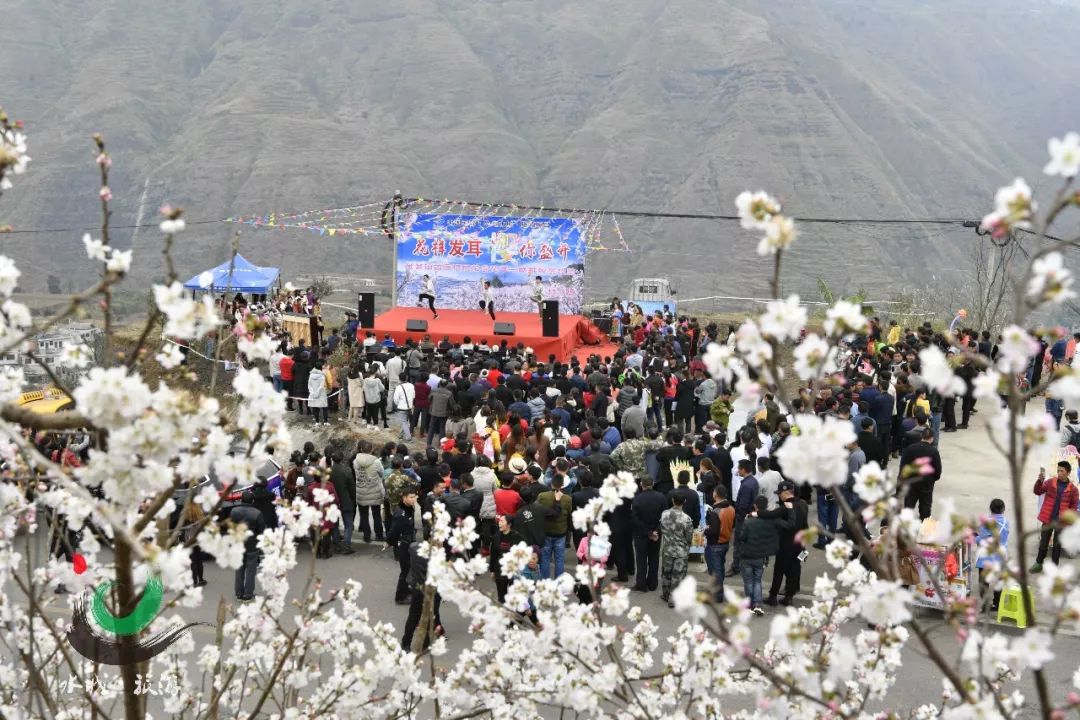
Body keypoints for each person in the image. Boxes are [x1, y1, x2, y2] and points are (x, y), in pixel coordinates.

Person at [738, 496, 788, 615]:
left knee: (748, 581)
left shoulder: (748, 521)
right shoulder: (769, 521)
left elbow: (742, 537)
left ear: (755, 505)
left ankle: (749, 604)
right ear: (766, 506)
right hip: (761, 555)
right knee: (757, 580)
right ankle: (758, 604)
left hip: (747, 554)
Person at [765, 481, 809, 606]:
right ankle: (789, 596)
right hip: (799, 543)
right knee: (794, 570)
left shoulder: (784, 508)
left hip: (785, 544)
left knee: (778, 571)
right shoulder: (803, 504)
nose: (779, 496)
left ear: (785, 493)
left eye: (780, 493)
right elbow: (805, 526)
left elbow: (773, 519)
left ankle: (773, 596)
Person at [1031, 461, 1080, 572]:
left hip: (1061, 522)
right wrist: (1039, 480)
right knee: (1043, 543)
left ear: (1068, 473)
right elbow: (1037, 491)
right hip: (1047, 519)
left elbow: (1073, 506)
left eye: (1062, 471)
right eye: (1058, 470)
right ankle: (1039, 563)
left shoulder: (1073, 490)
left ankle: (1053, 568)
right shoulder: (1049, 482)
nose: (1059, 473)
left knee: (1057, 546)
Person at [400, 541, 443, 651]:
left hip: (417, 588)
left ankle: (406, 643)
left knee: (413, 616)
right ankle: (426, 643)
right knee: (429, 616)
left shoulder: (414, 547)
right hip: (430, 589)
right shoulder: (436, 555)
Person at [230, 490, 267, 602]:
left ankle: (238, 592)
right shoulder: (257, 513)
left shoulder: (234, 511)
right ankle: (248, 594)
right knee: (251, 570)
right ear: (252, 500)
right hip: (252, 545)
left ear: (241, 499)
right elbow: (261, 530)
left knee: (239, 569)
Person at [631, 477, 666, 593]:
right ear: (653, 484)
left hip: (641, 534)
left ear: (641, 484)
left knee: (641, 560)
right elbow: (664, 517)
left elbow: (635, 520)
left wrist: (647, 532)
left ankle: (641, 584)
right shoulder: (661, 497)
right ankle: (653, 583)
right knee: (654, 558)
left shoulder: (637, 499)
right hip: (656, 533)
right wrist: (655, 531)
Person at [899, 428, 942, 520]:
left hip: (911, 483)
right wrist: (933, 479)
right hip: (927, 484)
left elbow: (903, 467)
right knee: (925, 509)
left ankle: (906, 528)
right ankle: (924, 528)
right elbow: (938, 470)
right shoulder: (933, 451)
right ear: (932, 438)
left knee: (909, 507)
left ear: (921, 436)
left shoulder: (910, 449)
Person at [975, 498, 1010, 611]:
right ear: (1003, 509)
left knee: (984, 582)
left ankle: (984, 605)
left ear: (990, 509)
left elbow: (982, 540)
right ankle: (997, 604)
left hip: (986, 557)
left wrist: (975, 537)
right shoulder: (1006, 522)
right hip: (1000, 556)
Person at [659, 494, 694, 607]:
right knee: (677, 576)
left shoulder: (664, 514)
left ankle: (665, 594)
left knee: (666, 573)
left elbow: (662, 529)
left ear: (673, 500)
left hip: (667, 548)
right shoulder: (686, 519)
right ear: (684, 502)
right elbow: (689, 536)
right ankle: (673, 599)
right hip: (681, 551)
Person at [386, 489, 419, 605]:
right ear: (404, 498)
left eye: (414, 497)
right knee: (405, 570)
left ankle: (406, 589)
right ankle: (400, 597)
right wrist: (389, 542)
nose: (413, 499)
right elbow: (394, 530)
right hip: (403, 544)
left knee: (409, 568)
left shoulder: (410, 508)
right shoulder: (401, 514)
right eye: (410, 497)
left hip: (409, 542)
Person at [536, 475, 573, 579]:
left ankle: (544, 581)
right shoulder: (568, 499)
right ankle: (559, 581)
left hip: (546, 532)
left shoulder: (542, 496)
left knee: (545, 558)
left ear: (551, 483)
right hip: (561, 533)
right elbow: (569, 513)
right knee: (559, 559)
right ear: (562, 485)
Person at [704, 485, 735, 601]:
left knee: (715, 571)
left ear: (716, 495)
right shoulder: (731, 508)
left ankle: (717, 595)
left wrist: (705, 530)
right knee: (720, 569)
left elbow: (714, 531)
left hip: (715, 544)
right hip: (725, 542)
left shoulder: (715, 512)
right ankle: (717, 593)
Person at [728, 459, 758, 576]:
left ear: (743, 470)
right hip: (750, 517)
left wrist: (737, 513)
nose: (737, 471)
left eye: (739, 468)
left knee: (738, 543)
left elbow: (743, 505)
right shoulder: (753, 481)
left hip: (743, 518)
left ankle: (736, 566)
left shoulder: (746, 485)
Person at [353, 440, 385, 542]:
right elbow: (382, 473)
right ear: (371, 450)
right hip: (374, 490)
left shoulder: (355, 461)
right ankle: (379, 535)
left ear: (361, 449)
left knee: (364, 515)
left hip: (361, 491)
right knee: (376, 515)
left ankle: (367, 536)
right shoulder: (376, 462)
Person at [390, 373, 416, 441]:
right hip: (410, 407)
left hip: (402, 407)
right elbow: (413, 396)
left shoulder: (399, 387)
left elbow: (395, 399)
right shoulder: (411, 385)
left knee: (404, 422)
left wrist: (398, 404)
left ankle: (408, 437)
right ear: (406, 378)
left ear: (399, 379)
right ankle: (401, 435)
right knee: (405, 421)